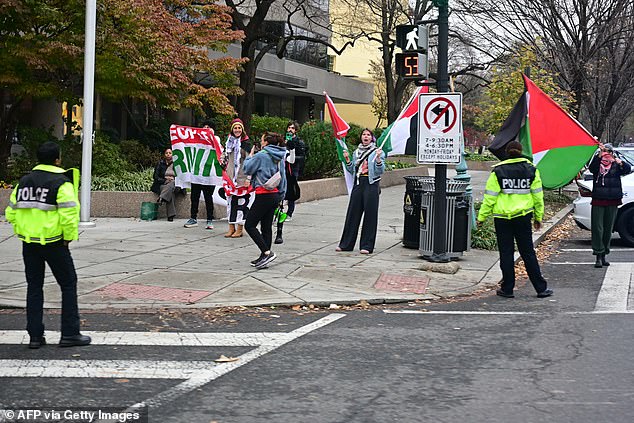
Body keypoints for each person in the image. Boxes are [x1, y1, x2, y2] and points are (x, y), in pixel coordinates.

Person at [4, 142, 91, 348]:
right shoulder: (62, 182)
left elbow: (10, 212)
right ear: (57, 159)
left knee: (34, 287)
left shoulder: (24, 182)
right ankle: (70, 333)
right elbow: (69, 215)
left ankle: (35, 336)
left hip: (29, 243)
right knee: (68, 284)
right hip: (54, 243)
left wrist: (23, 231)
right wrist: (68, 238)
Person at [477, 141, 553, 298]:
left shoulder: (498, 171)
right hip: (523, 216)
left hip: (502, 218)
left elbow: (490, 198)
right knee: (528, 252)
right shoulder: (531, 170)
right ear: (521, 151)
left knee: (506, 253)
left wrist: (481, 217)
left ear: (507, 152)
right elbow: (538, 197)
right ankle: (540, 288)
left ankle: (507, 288)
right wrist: (538, 217)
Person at [336, 128, 385, 254]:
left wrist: (379, 159)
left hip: (371, 184)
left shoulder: (377, 151)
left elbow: (380, 171)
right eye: (364, 134)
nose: (365, 137)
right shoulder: (356, 152)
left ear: (371, 138)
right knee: (352, 214)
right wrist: (347, 160)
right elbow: (352, 169)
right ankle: (346, 244)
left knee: (370, 215)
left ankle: (367, 246)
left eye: (368, 135)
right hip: (358, 184)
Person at [242, 132, 287, 269]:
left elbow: (247, 169)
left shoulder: (261, 155)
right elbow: (283, 178)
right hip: (274, 195)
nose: (260, 142)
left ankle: (267, 252)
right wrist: (281, 196)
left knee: (249, 225)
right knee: (266, 227)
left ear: (266, 142)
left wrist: (249, 157)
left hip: (263, 194)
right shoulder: (280, 157)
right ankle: (264, 256)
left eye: (262, 140)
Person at [588, 143, 631, 268]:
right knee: (598, 228)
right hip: (598, 199)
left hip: (613, 199)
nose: (607, 154)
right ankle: (598, 254)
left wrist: (620, 162)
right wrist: (598, 156)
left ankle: (604, 254)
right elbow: (592, 168)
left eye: (609, 152)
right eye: (605, 151)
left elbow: (627, 169)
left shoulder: (616, 164)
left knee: (608, 229)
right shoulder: (598, 164)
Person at [221, 118, 252, 238]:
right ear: (232, 129)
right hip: (230, 178)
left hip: (242, 178)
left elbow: (251, 162)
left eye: (239, 128)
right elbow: (226, 159)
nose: (237, 130)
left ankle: (240, 228)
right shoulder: (229, 142)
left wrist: (248, 178)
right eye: (235, 128)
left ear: (242, 129)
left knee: (241, 205)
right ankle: (231, 227)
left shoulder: (246, 144)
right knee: (230, 204)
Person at [184, 125, 216, 230]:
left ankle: (209, 219)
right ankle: (193, 218)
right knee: (194, 197)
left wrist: (211, 135)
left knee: (208, 198)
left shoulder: (215, 140)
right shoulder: (196, 140)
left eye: (208, 128)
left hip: (208, 175)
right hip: (197, 174)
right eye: (204, 128)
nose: (206, 130)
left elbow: (219, 149)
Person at [284, 121, 308, 221]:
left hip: (293, 169)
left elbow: (302, 156)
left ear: (296, 130)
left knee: (291, 192)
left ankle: (289, 213)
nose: (290, 130)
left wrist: (291, 157)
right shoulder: (283, 140)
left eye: (293, 128)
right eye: (289, 128)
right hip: (283, 168)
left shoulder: (299, 142)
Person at [151, 148, 178, 222]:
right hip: (162, 184)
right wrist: (165, 181)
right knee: (170, 192)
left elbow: (180, 177)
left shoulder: (177, 164)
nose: (168, 154)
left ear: (172, 154)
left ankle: (161, 197)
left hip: (174, 184)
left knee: (172, 183)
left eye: (170, 153)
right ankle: (170, 216)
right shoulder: (160, 163)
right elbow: (155, 177)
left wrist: (171, 180)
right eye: (166, 153)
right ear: (164, 154)